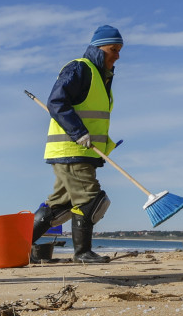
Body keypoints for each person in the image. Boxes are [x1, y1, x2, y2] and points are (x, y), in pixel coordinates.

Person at [31, 25, 123, 264]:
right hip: (72, 149)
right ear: (98, 48)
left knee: (59, 206)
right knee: (92, 200)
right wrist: (78, 132)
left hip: (81, 151)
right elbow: (57, 101)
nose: (118, 55)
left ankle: (17, 245)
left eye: (120, 50)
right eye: (113, 49)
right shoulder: (81, 68)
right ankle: (82, 253)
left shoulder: (101, 77)